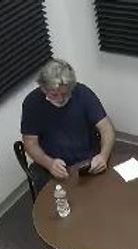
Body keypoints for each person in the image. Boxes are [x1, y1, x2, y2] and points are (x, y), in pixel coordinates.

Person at [20, 59, 115, 193]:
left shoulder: (83, 94)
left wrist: (103, 156)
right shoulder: (32, 103)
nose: (59, 99)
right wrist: (49, 163)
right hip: (52, 163)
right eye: (53, 95)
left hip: (87, 160)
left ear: (72, 87)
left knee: (103, 195)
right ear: (43, 88)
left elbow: (107, 129)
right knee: (55, 205)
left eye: (64, 94)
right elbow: (30, 142)